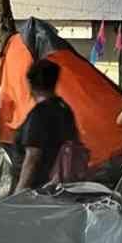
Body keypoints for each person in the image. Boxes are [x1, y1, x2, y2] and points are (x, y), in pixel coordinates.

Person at [15, 58, 78, 192]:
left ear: (31, 84)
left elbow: (32, 156)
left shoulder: (39, 113)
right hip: (59, 186)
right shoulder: (64, 108)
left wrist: (20, 190)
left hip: (39, 188)